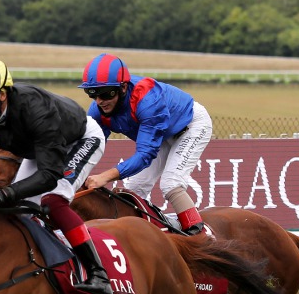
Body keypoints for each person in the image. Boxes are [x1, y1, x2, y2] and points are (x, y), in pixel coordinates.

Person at [0, 55, 114, 294]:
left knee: (53, 201)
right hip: (40, 148)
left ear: (2, 94)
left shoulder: (35, 108)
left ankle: (98, 273)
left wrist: (3, 194)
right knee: (20, 206)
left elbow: (49, 175)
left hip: (80, 139)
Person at [79, 53, 213, 235]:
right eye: (92, 94)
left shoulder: (147, 100)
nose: (99, 101)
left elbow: (145, 155)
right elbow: (90, 145)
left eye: (105, 94)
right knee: (133, 189)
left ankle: (201, 237)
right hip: (163, 134)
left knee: (171, 184)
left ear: (123, 88)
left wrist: (105, 176)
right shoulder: (98, 109)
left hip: (191, 126)